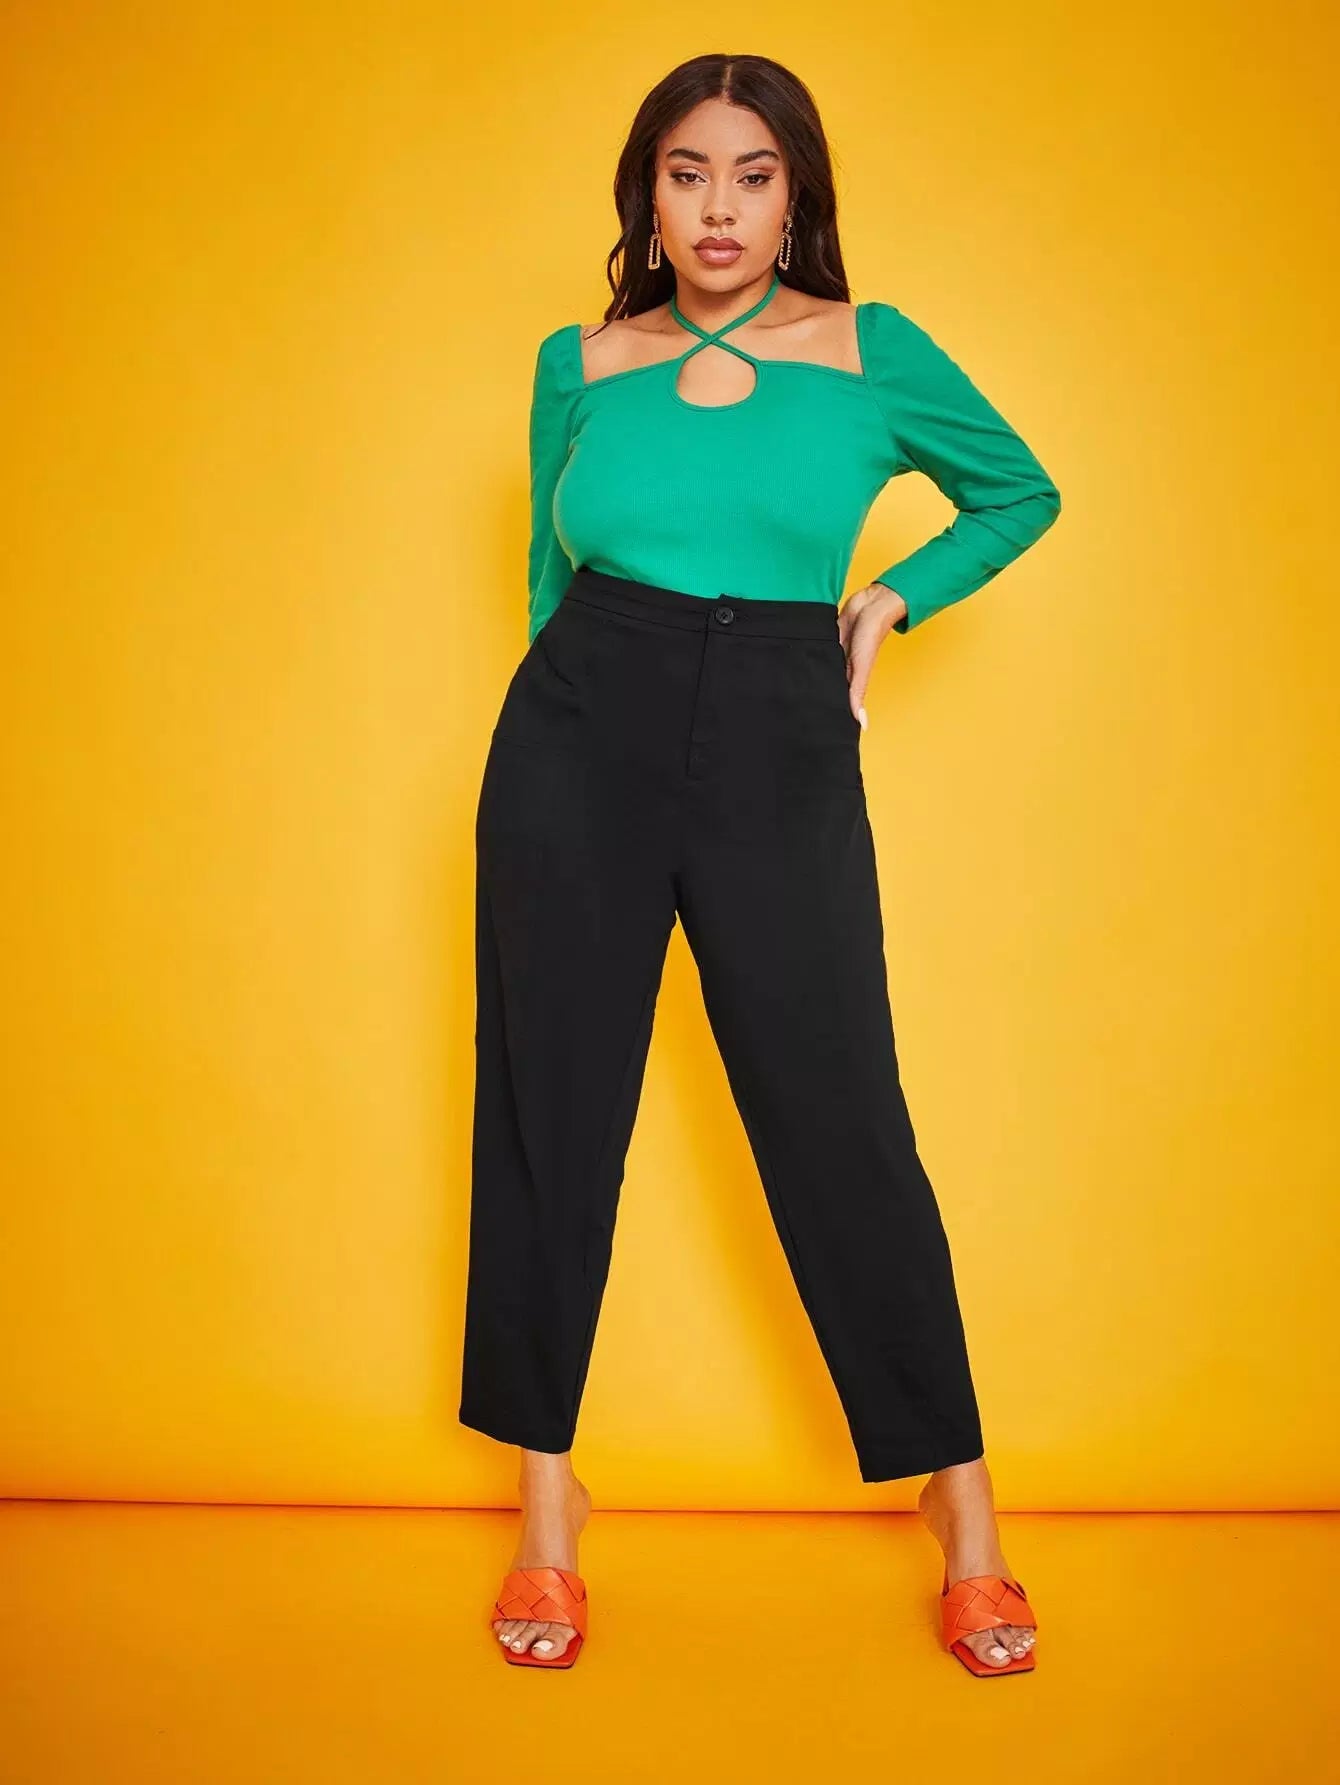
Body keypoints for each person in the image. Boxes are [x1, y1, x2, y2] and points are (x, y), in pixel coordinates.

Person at [459, 51, 1061, 1676]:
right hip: (579, 726)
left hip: (780, 728)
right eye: (685, 174)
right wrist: (568, 739)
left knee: (839, 1108)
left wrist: (891, 598)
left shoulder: (871, 349)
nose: (717, 209)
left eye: (751, 174)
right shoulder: (582, 362)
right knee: (549, 1110)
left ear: (798, 194)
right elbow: (546, 587)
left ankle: (965, 1513)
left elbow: (1019, 492)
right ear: (645, 197)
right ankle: (546, 1504)